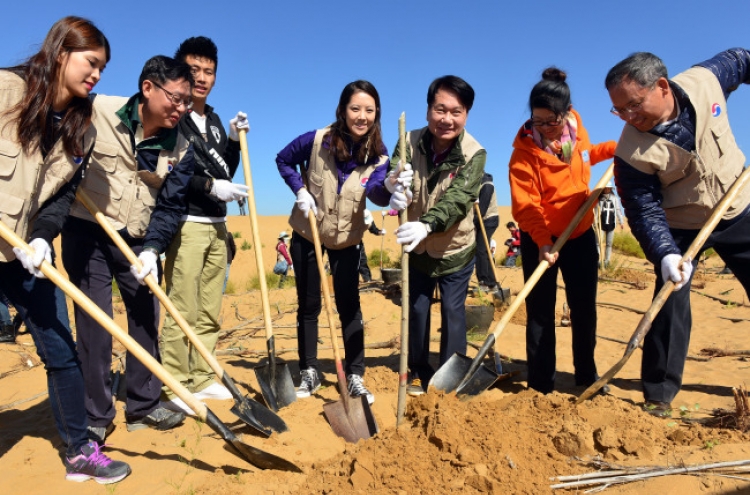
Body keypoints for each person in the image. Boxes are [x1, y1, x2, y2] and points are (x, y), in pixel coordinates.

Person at [0, 16, 130, 483]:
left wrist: (40, 237)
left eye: (102, 68)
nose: (96, 74)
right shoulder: (6, 91)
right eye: (90, 62)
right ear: (61, 53)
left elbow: (57, 199)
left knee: (61, 349)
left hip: (22, 255)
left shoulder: (83, 129)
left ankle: (80, 450)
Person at [605, 48, 750, 415]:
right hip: (680, 225)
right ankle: (659, 394)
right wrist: (665, 253)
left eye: (634, 105)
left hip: (737, 205)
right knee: (670, 300)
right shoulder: (630, 152)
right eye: (619, 110)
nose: (628, 116)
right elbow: (642, 208)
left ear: (663, 87)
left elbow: (744, 59)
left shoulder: (706, 81)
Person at [61, 55, 194, 440]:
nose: (181, 108)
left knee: (146, 318)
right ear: (148, 88)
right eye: (176, 98)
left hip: (137, 239)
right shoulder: (96, 109)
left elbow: (171, 204)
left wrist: (153, 248)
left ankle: (143, 405)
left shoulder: (181, 144)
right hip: (87, 230)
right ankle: (96, 416)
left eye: (187, 101)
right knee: (95, 326)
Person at [367, 75, 486, 396]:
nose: (447, 119)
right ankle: (418, 369)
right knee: (417, 310)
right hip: (417, 249)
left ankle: (451, 376)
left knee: (452, 310)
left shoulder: (475, 153)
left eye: (456, 112)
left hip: (455, 248)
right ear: (428, 110)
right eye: (440, 109)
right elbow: (390, 174)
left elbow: (459, 200)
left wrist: (427, 224)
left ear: (466, 114)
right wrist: (392, 184)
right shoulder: (408, 141)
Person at [277, 80, 390, 404]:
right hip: (308, 232)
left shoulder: (379, 157)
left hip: (347, 239)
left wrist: (393, 184)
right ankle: (309, 370)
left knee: (349, 306)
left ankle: (355, 376)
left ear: (376, 114)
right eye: (355, 108)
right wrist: (299, 189)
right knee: (309, 304)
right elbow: (283, 159)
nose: (362, 116)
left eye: (369, 110)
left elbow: (378, 193)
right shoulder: (316, 141)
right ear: (342, 110)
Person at [509, 67, 616, 394]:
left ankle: (586, 376)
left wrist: (613, 149)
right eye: (537, 121)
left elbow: (587, 155)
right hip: (541, 240)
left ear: (566, 114)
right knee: (540, 313)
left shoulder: (575, 129)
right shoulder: (523, 155)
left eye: (551, 121)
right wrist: (543, 242)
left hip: (581, 235)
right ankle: (541, 385)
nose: (545, 128)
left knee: (584, 309)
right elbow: (526, 206)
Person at [159, 37, 249, 414]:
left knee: (210, 307)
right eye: (193, 70)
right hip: (187, 223)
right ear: (180, 70)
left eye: (208, 71)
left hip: (218, 226)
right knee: (184, 306)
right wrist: (211, 186)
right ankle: (175, 382)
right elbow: (171, 173)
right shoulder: (172, 118)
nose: (201, 78)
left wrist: (232, 141)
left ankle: (202, 375)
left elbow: (225, 171)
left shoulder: (212, 119)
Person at [474, 172, 499, 290]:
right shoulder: (482, 184)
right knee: (484, 250)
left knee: (480, 251)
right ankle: (491, 282)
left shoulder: (487, 185)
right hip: (484, 220)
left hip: (488, 220)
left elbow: (482, 210)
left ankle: (484, 281)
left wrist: (470, 221)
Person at [595, 181, 624, 267]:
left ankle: (607, 261)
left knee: (609, 244)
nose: (607, 189)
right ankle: (597, 261)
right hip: (600, 224)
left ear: (611, 189)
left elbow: (618, 210)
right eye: (606, 188)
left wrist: (621, 221)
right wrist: (594, 222)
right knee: (598, 243)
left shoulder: (614, 198)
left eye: (608, 188)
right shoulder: (598, 198)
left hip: (611, 224)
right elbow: (596, 211)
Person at [358, 209, 386, 283]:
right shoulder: (355, 218)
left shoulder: (369, 218)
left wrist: (380, 232)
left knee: (362, 259)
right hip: (347, 239)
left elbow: (374, 229)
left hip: (357, 239)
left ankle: (367, 279)